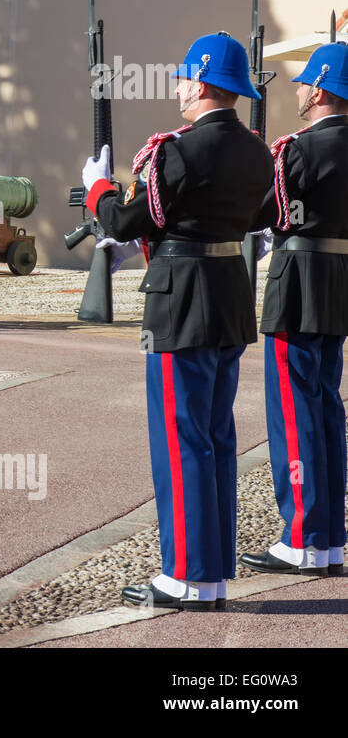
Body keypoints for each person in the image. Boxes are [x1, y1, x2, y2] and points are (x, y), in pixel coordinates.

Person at [83, 32, 273, 610]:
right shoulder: (257, 151)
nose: (178, 86)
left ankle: (188, 574)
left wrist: (96, 187)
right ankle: (210, 570)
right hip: (227, 295)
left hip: (180, 296)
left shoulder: (177, 150)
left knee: (180, 436)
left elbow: (123, 217)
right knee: (216, 436)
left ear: (204, 81)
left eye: (185, 76)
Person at [239, 42, 348, 579]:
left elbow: (262, 211)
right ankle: (329, 539)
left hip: (300, 281)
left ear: (322, 89)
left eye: (306, 83)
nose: (300, 90)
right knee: (327, 406)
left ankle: (302, 537)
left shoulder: (296, 149)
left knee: (294, 411)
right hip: (341, 281)